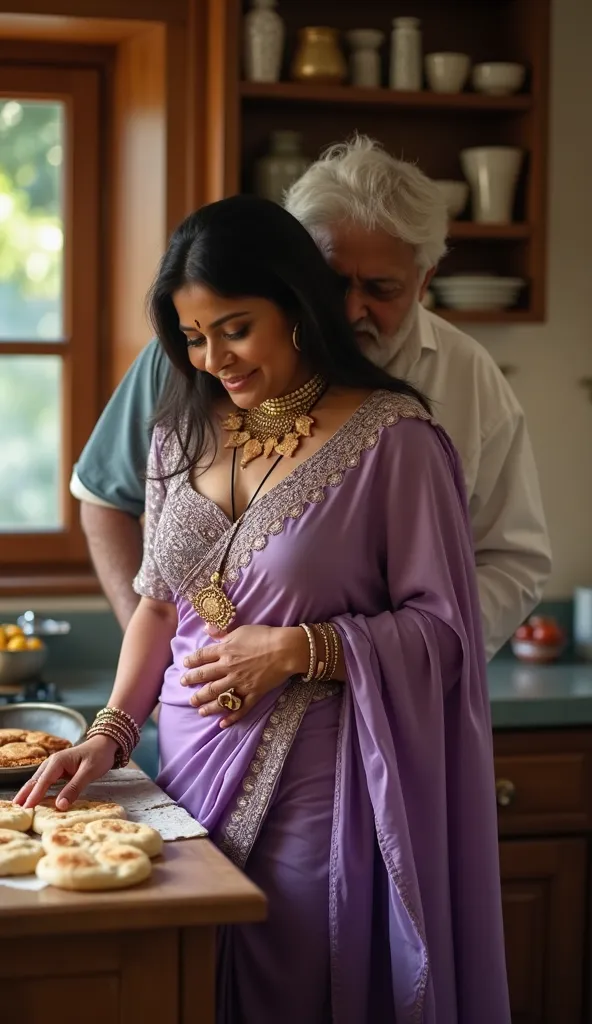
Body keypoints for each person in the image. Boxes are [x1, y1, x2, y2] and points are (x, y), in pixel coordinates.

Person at [16, 195, 511, 1023]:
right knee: (177, 982)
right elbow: (159, 607)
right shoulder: (180, 433)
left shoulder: (397, 443)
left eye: (235, 329)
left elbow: (445, 631)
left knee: (296, 982)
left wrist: (296, 649)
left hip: (317, 790)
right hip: (184, 774)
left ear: (295, 303)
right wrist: (105, 737)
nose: (213, 358)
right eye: (193, 337)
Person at [71, 137, 550, 659]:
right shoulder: (200, 362)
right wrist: (157, 677)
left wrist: (396, 663)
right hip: (205, 710)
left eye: (381, 289)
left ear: (425, 278)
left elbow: (512, 559)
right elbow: (103, 501)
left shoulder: (467, 377)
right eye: (332, 282)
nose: (350, 310)